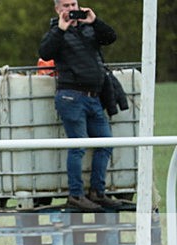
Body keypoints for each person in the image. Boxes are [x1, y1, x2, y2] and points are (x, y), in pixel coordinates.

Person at [39, 1, 122, 211]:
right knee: (78, 147)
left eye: (74, 3)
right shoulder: (56, 32)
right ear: (57, 9)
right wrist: (61, 29)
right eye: (66, 5)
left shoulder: (89, 28)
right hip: (71, 97)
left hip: (94, 97)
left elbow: (111, 38)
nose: (71, 8)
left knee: (106, 143)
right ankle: (76, 195)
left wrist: (95, 21)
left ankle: (97, 192)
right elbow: (45, 52)